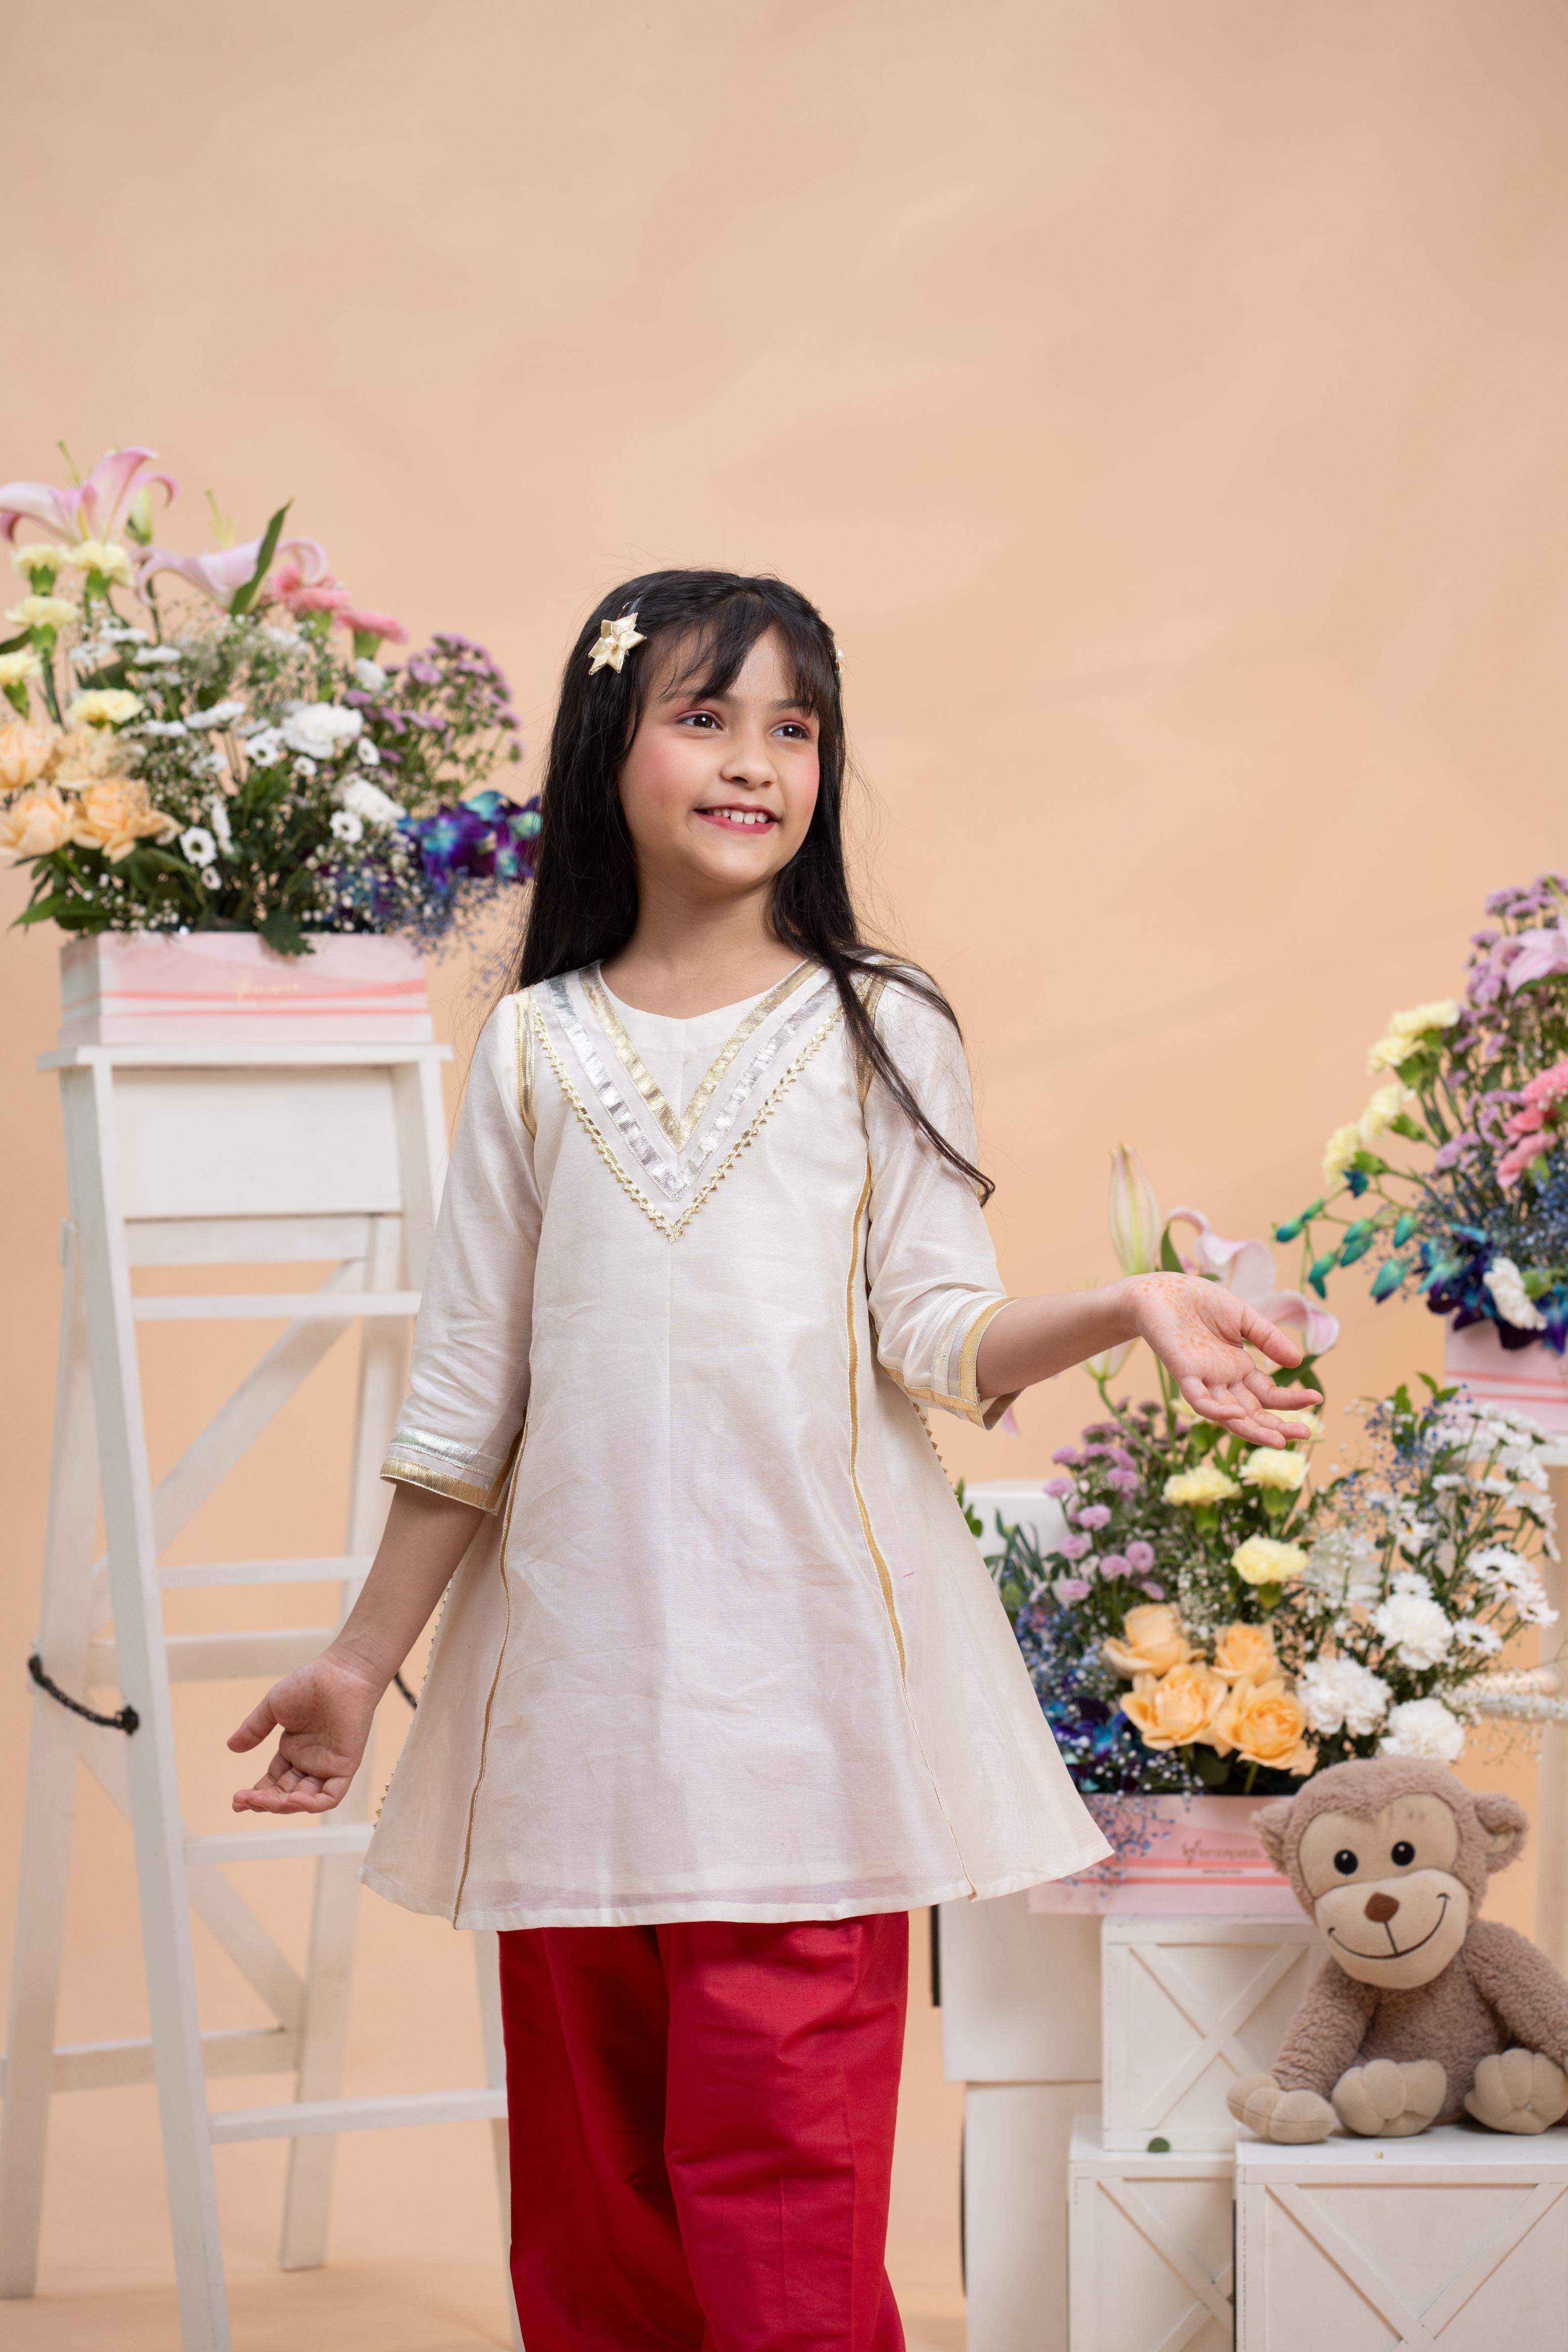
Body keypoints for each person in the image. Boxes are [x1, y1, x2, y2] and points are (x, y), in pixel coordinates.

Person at [227, 571, 1315, 2350]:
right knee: (592, 2219)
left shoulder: (879, 1022)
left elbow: (938, 1329)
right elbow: (467, 1404)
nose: (755, 761)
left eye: (793, 727)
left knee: (787, 2202)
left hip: (804, 1717)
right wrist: (360, 1660)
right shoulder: (532, 1049)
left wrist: (1128, 1304)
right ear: (609, 746)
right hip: (574, 1723)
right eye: (705, 716)